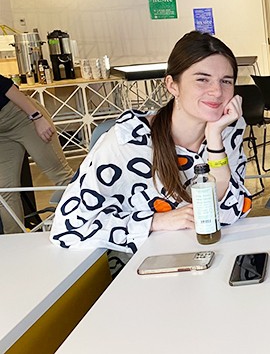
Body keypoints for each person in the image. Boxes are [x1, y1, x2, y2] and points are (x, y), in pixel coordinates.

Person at [50, 31, 251, 256]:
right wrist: (156, 221)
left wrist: (214, 138)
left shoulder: (227, 129)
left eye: (226, 81)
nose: (217, 91)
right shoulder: (129, 140)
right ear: (172, 85)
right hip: (141, 264)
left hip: (209, 255)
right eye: (202, 79)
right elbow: (67, 228)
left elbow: (228, 212)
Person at [1, 74, 73, 233]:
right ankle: (17, 244)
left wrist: (36, 117)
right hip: (1, 132)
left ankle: (83, 226)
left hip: (22, 116)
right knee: (4, 192)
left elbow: (5, 87)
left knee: (61, 176)